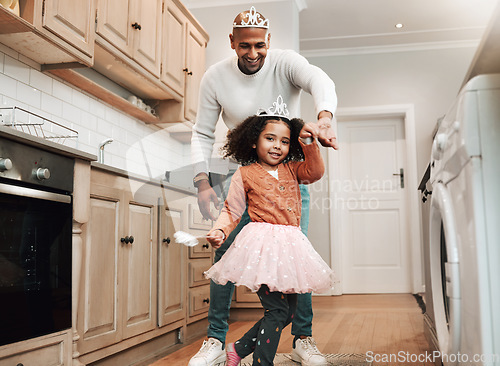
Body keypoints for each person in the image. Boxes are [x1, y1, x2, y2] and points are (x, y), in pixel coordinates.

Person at [189, 6, 337, 366]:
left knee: (296, 261)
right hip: (242, 178)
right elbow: (201, 133)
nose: (252, 53)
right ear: (232, 43)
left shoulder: (285, 62)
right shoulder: (214, 77)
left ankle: (304, 338)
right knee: (224, 255)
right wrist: (201, 181)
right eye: (244, 46)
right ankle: (214, 340)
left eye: (259, 45)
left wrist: (324, 118)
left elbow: (320, 80)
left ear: (268, 41)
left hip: (287, 176)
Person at [204, 97, 335, 366]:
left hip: (290, 248)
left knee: (289, 310)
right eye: (270, 139)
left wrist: (309, 143)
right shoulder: (245, 173)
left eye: (285, 141)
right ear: (254, 140)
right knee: (276, 309)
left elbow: (315, 171)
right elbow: (231, 210)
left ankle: (237, 349)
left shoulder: (293, 170)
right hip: (262, 249)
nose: (277, 146)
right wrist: (219, 229)